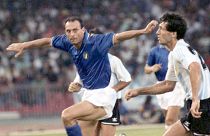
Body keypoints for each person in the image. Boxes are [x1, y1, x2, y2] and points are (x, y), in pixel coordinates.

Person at [7, 16, 158, 136]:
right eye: (68, 31)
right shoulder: (67, 42)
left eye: (75, 30)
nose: (72, 34)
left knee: (67, 115)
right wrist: (24, 46)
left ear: (83, 30)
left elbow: (119, 37)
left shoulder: (97, 42)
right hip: (88, 96)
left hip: (104, 97)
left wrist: (143, 32)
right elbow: (47, 41)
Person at [125, 12, 210, 136]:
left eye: (161, 29)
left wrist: (196, 99)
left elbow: (195, 67)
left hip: (203, 104)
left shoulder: (180, 49)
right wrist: (138, 91)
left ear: (173, 34)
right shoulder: (174, 54)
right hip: (200, 104)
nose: (157, 32)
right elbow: (168, 85)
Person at [69, 53, 131, 136]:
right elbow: (78, 82)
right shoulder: (83, 61)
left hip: (110, 102)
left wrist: (111, 91)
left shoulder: (113, 60)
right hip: (90, 101)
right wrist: (75, 86)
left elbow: (126, 79)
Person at [144, 43, 185, 129]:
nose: (158, 33)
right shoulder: (154, 50)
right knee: (169, 118)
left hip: (175, 85)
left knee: (170, 120)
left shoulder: (178, 48)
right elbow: (146, 69)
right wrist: (152, 68)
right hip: (160, 86)